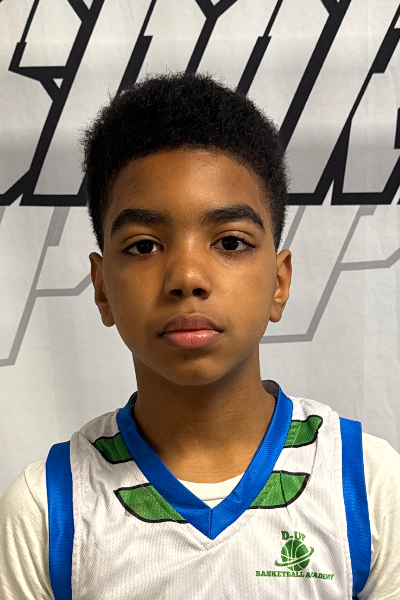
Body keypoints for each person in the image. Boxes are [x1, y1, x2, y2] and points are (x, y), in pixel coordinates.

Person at [0, 71, 399, 600]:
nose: (187, 277)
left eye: (230, 242)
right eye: (144, 246)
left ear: (279, 282)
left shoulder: (367, 486)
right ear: (101, 288)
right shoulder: (49, 510)